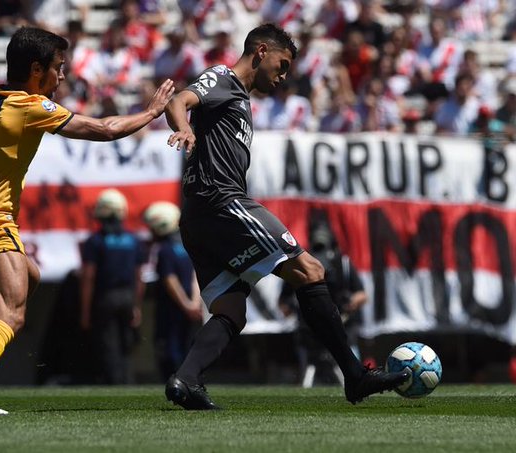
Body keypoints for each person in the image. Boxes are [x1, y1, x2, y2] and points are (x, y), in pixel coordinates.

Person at [162, 23, 409, 410]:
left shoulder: (238, 98)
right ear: (261, 51)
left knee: (231, 310)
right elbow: (179, 100)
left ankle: (186, 379)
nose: (282, 77)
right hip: (222, 202)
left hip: (197, 218)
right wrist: (184, 130)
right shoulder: (224, 79)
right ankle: (355, 375)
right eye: (282, 65)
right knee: (310, 270)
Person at [0, 26, 174, 414]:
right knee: (11, 314)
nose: (62, 76)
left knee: (28, 277)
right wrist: (151, 112)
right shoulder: (29, 106)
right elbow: (104, 129)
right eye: (58, 67)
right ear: (36, 69)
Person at [279, 220, 368, 387]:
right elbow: (283, 301)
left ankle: (358, 379)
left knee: (350, 362)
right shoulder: (300, 263)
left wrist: (348, 306)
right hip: (309, 332)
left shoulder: (343, 263)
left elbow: (361, 294)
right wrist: (298, 309)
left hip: (343, 326)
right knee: (308, 366)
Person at [79, 189, 145, 384]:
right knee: (127, 342)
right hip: (128, 296)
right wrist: (137, 306)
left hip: (105, 297)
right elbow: (139, 277)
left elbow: (88, 277)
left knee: (108, 343)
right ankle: (127, 382)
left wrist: (85, 311)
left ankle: (114, 383)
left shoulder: (95, 241)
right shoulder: (133, 240)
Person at [142, 201, 202, 381]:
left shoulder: (164, 250)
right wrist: (194, 303)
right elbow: (195, 276)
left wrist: (185, 305)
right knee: (186, 347)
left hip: (171, 308)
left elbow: (170, 280)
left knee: (169, 348)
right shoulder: (187, 246)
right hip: (190, 307)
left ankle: (176, 383)